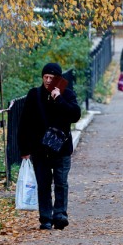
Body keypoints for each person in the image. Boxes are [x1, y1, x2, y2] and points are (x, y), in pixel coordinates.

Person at [18, 63, 82, 230]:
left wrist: (59, 99)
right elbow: (24, 122)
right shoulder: (35, 95)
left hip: (61, 148)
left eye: (51, 78)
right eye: (45, 77)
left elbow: (75, 115)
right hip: (40, 149)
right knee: (44, 184)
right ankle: (45, 218)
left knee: (61, 182)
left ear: (58, 79)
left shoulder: (67, 94)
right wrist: (24, 149)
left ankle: (60, 214)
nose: (47, 80)